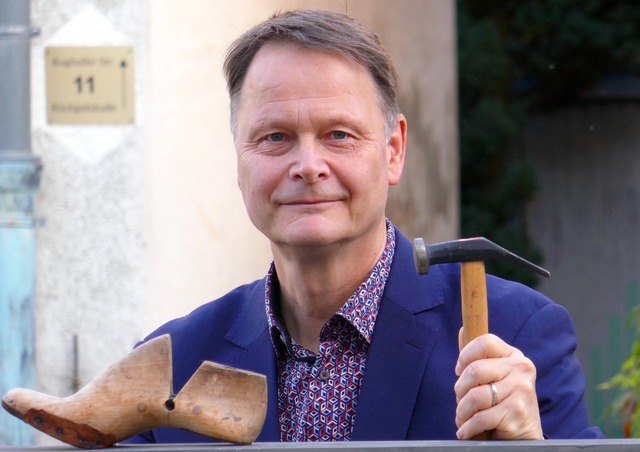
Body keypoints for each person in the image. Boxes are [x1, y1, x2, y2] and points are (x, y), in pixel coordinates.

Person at [126, 9, 603, 443]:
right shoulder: (171, 367)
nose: (308, 165)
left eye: (339, 135)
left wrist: (533, 447)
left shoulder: (514, 337)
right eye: (275, 137)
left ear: (393, 150)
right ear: (239, 159)